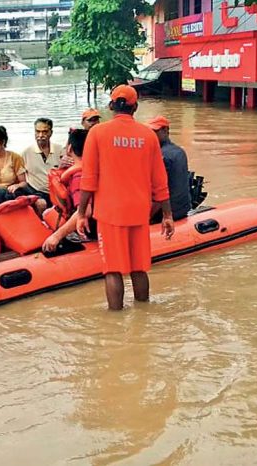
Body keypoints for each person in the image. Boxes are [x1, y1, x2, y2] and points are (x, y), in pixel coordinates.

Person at [76, 84, 175, 311]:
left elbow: (89, 179)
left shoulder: (97, 133)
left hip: (110, 213)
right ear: (135, 107)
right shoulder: (148, 136)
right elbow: (160, 182)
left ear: (111, 106)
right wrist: (167, 215)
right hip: (139, 212)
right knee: (138, 267)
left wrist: (82, 213)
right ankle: (144, 313)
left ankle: (115, 322)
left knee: (113, 269)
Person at [42, 128, 95, 252]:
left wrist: (56, 236)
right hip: (99, 220)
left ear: (69, 149)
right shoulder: (92, 168)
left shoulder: (79, 176)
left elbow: (86, 211)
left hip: (90, 230)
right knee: (47, 214)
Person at [147, 116, 192, 221]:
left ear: (166, 130)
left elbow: (159, 191)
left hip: (168, 213)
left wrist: (146, 218)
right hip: (183, 208)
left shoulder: (162, 156)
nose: (151, 135)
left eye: (155, 131)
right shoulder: (179, 151)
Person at [0, 125, 29, 208]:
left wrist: (17, 185)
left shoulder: (15, 157)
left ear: (3, 142)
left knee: (5, 195)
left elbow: (24, 183)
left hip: (12, 194)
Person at [21, 118, 63, 205]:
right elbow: (20, 177)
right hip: (36, 192)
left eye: (45, 132)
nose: (40, 135)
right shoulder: (26, 153)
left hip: (57, 192)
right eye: (37, 131)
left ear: (51, 133)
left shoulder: (60, 150)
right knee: (41, 204)